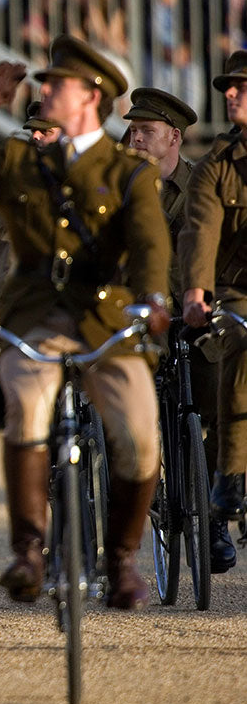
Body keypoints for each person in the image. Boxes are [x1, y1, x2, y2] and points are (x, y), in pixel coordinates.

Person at [0, 35, 171, 610]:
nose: (43, 90)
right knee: (26, 408)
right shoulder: (19, 161)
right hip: (32, 319)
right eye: (43, 81)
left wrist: (152, 299)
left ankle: (121, 559)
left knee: (141, 440)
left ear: (91, 98)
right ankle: (28, 550)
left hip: (105, 322)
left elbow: (150, 244)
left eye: (57, 84)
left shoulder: (129, 173)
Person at [123, 87, 231, 570]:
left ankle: (211, 514)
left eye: (145, 131)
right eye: (132, 129)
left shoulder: (203, 185)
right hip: (140, 322)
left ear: (173, 137)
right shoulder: (119, 186)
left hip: (195, 317)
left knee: (225, 403)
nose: (135, 138)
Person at [179, 50, 247, 572]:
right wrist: (196, 292)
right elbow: (199, 229)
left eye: (242, 86)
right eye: (228, 86)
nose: (231, 92)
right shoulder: (215, 168)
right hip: (235, 290)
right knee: (241, 344)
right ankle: (230, 476)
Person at [0, 101, 62, 306]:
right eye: (34, 130)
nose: (35, 136)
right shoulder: (19, 179)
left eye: (46, 131)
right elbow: (7, 242)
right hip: (21, 294)